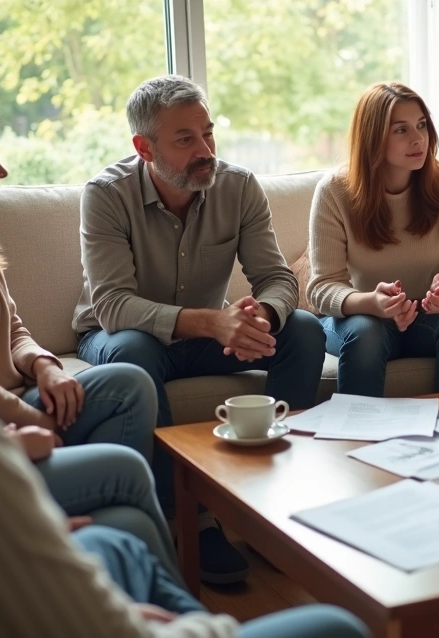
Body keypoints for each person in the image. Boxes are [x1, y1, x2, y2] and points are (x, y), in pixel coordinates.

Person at [0, 110, 371, 638]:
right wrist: (201, 628)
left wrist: (43, 370)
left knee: (120, 519)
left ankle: (234, 532)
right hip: (130, 344)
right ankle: (190, 552)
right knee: (335, 627)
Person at [0, 104, 180, 577]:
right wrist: (37, 420)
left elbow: (15, 330)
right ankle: (107, 531)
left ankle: (93, 528)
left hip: (15, 400)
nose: (3, 172)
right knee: (126, 500)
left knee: (129, 383)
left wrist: (44, 365)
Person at [73, 74, 327, 583]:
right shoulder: (106, 195)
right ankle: (190, 522)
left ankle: (273, 499)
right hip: (120, 334)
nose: (205, 150)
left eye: (208, 133)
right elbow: (113, 306)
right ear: (144, 148)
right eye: (185, 139)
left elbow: (277, 279)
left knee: (302, 330)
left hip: (210, 334)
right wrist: (212, 322)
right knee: (134, 351)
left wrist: (261, 317)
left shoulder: (238, 186)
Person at [308, 82, 439, 396]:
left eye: (421, 125)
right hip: (363, 318)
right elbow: (322, 287)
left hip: (427, 319)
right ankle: (359, 424)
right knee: (366, 331)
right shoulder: (334, 191)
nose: (418, 138)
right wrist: (372, 303)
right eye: (401, 130)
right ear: (372, 137)